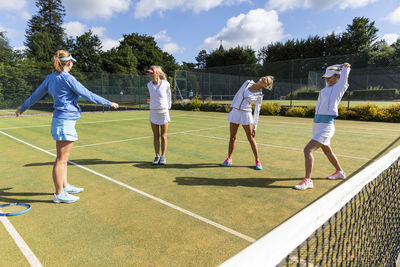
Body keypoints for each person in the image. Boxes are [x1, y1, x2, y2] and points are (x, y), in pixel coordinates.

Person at [16, 50, 119, 203]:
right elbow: (87, 94)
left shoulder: (50, 78)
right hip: (65, 121)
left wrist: (23, 107)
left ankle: (65, 186)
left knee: (64, 159)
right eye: (72, 62)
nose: (73, 64)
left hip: (62, 120)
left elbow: (35, 95)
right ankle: (59, 194)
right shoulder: (68, 78)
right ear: (69, 62)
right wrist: (109, 103)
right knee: (61, 159)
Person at [294, 63, 351, 190]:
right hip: (317, 126)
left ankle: (308, 180)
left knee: (307, 150)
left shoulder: (338, 88)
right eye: (326, 77)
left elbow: (344, 80)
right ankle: (340, 172)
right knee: (327, 150)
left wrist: (345, 68)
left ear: (337, 77)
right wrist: (336, 67)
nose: (327, 79)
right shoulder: (325, 89)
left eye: (331, 77)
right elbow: (329, 79)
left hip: (326, 126)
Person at [221, 76, 274, 170]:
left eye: (267, 80)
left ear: (266, 85)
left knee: (250, 138)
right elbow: (237, 94)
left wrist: (255, 127)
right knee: (232, 137)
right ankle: (229, 159)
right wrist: (232, 106)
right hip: (235, 112)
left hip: (246, 114)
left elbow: (257, 111)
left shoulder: (259, 95)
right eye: (265, 77)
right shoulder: (247, 82)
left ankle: (257, 161)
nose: (264, 79)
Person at [147, 65, 171, 165]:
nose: (150, 74)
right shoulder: (148, 85)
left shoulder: (166, 84)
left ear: (157, 73)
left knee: (163, 136)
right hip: (153, 112)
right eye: (149, 73)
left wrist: (167, 108)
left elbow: (169, 97)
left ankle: (163, 156)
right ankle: (157, 156)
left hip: (163, 112)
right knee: (155, 136)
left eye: (152, 72)